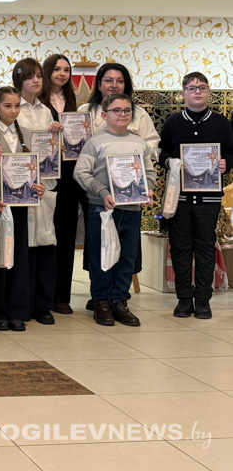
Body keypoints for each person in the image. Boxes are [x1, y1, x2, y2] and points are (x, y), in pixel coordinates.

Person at [78, 62, 160, 309]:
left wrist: (148, 187)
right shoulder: (86, 114)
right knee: (99, 250)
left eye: (120, 80)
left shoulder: (139, 122)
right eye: (108, 80)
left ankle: (119, 300)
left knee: (126, 255)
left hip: (131, 202)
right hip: (99, 198)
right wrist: (102, 191)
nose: (122, 115)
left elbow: (149, 160)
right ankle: (101, 298)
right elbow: (81, 167)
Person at [160, 72, 233, 320]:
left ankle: (203, 299)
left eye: (202, 87)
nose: (197, 92)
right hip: (178, 197)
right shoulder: (172, 122)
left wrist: (226, 163)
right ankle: (183, 299)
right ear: (183, 93)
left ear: (209, 91)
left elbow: (231, 153)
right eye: (191, 88)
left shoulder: (222, 123)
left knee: (204, 246)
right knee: (180, 247)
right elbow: (161, 152)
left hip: (209, 198)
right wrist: (170, 161)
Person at [0, 87, 45, 332]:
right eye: (8, 106)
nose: (13, 111)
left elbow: (37, 170)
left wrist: (39, 187)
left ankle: (17, 310)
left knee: (19, 258)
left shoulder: (27, 134)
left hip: (20, 205)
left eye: (17, 105)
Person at [13, 58, 62, 325]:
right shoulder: (13, 108)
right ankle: (24, 304)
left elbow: (53, 148)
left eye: (39, 76)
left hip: (46, 185)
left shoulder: (47, 111)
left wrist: (57, 134)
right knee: (24, 247)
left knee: (45, 243)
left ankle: (43, 304)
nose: (36, 81)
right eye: (30, 76)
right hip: (20, 185)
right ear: (19, 79)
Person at [39, 54, 82, 314]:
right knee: (46, 233)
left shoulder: (74, 104)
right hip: (46, 174)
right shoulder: (39, 104)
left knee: (65, 234)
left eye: (67, 70)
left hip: (70, 173)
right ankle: (42, 294)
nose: (62, 74)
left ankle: (61, 296)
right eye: (57, 69)